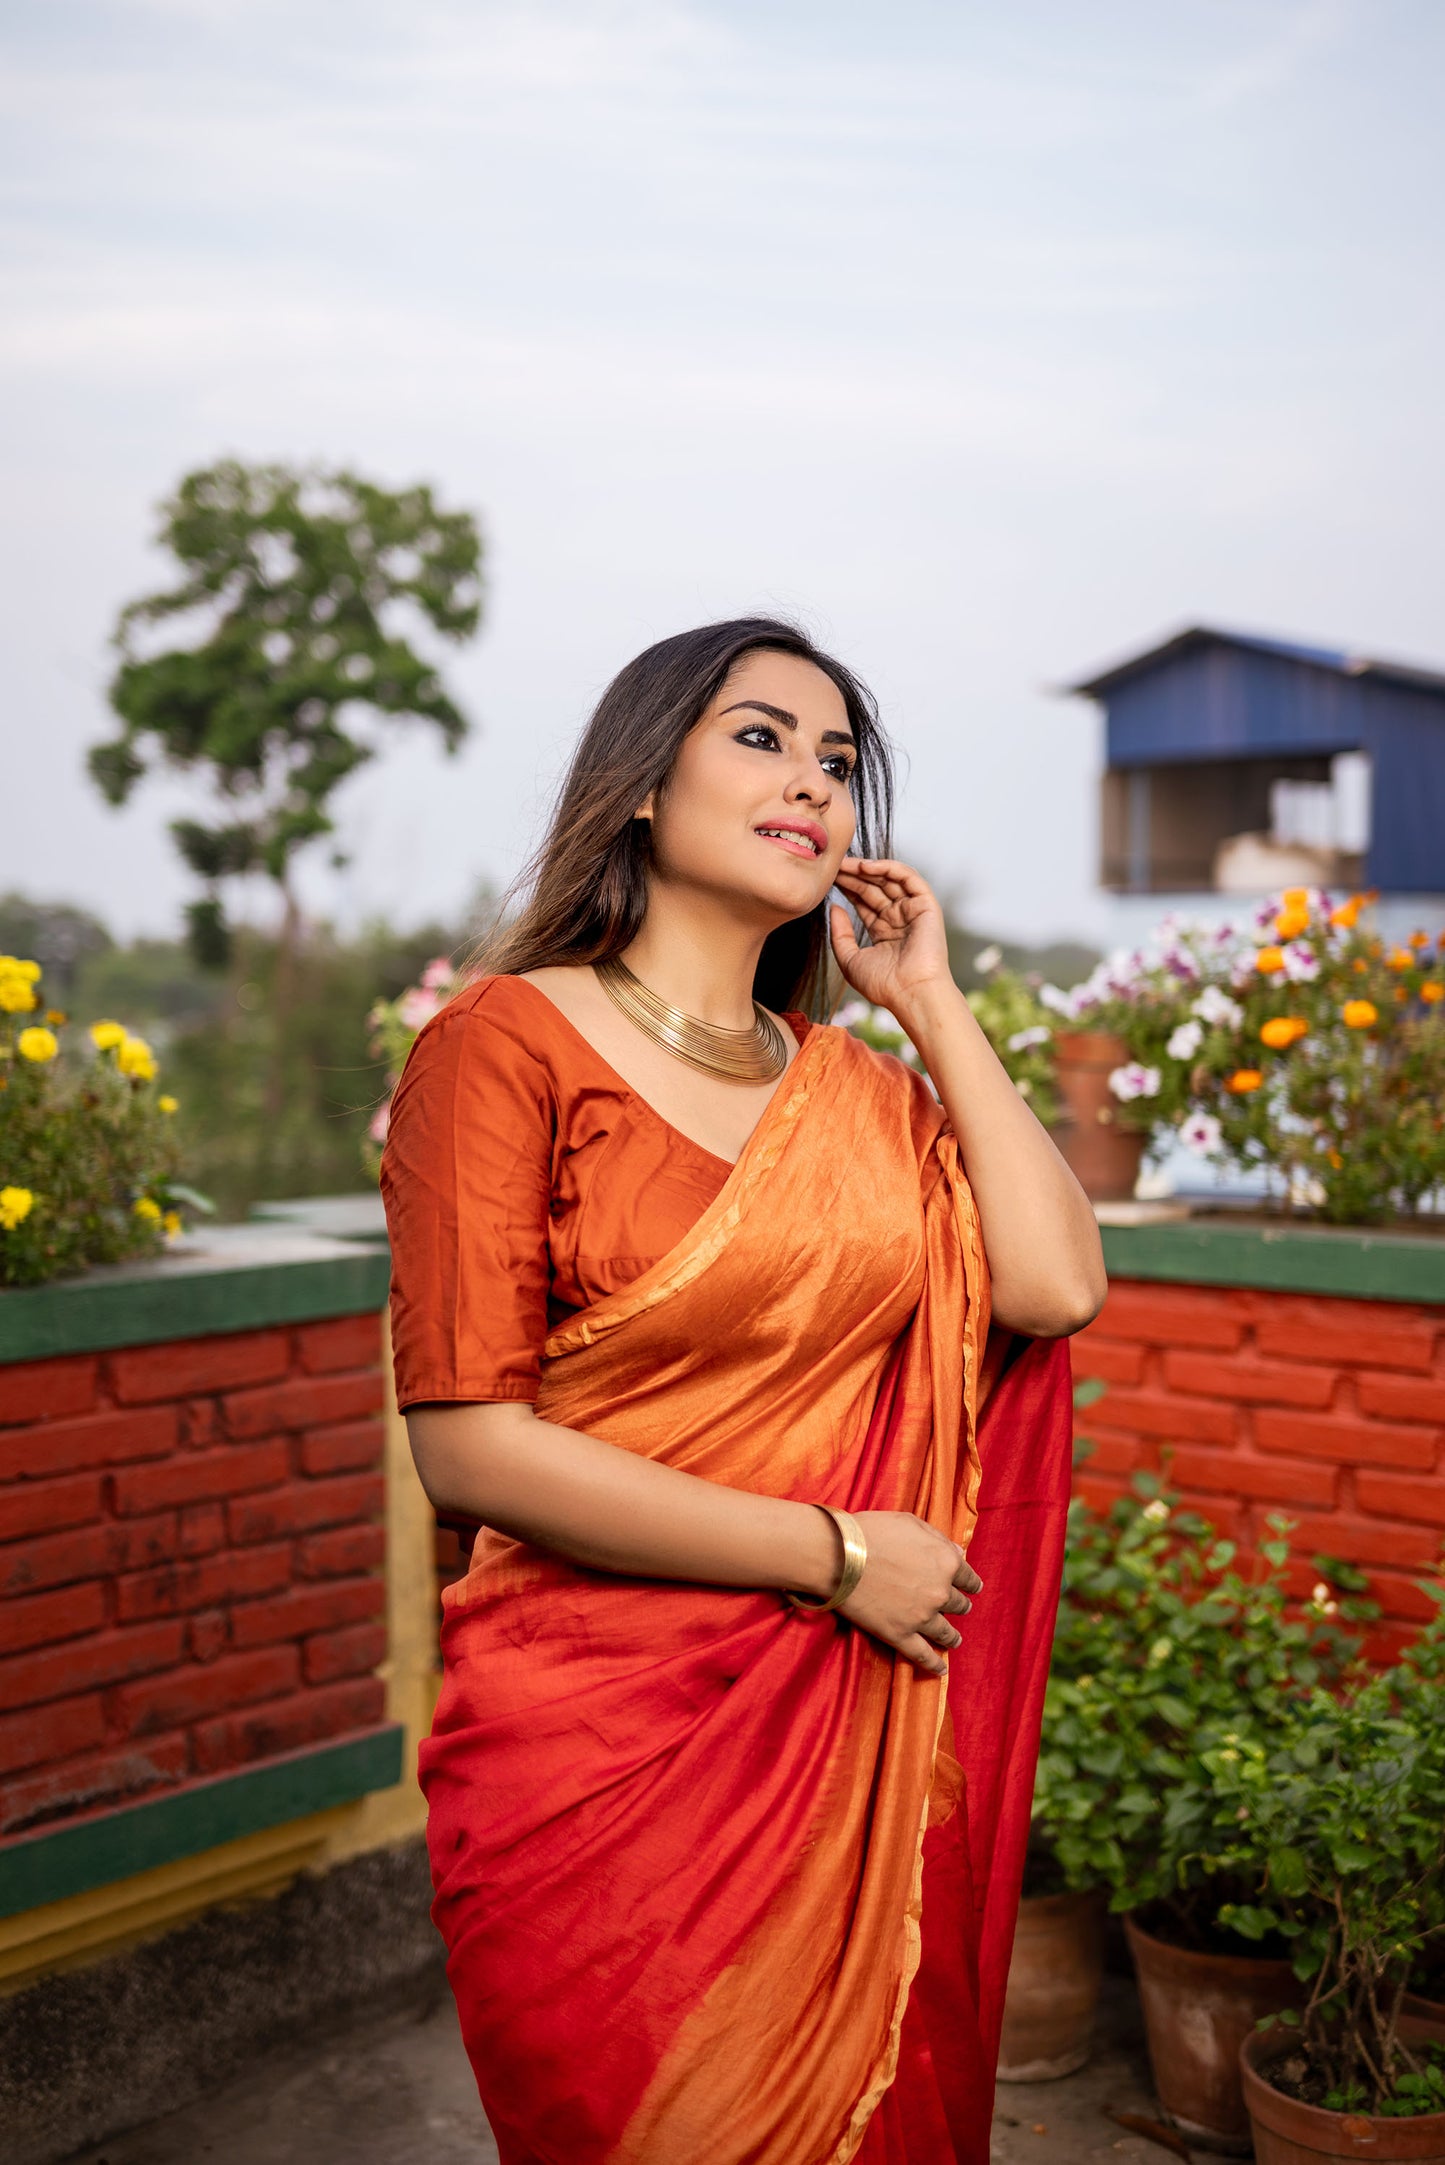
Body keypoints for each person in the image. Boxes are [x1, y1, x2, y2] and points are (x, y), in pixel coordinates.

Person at [380, 617, 1106, 2165]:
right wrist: (835, 1553)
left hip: (837, 1753)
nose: (813, 783)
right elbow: (469, 1445)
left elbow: (1053, 1286)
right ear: (642, 782)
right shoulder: (499, 1048)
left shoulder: (856, 1094)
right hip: (594, 1764)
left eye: (839, 761)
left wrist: (929, 1001)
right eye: (763, 736)